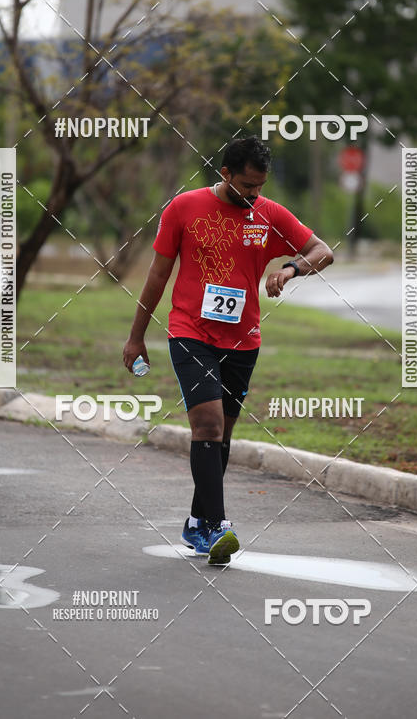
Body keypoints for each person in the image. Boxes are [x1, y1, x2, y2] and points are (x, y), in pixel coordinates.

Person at [123, 135, 333, 565]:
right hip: (189, 332)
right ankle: (217, 527)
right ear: (225, 174)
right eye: (247, 186)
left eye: (260, 186)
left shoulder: (268, 214)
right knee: (208, 425)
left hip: (243, 340)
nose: (254, 195)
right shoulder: (184, 208)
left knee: (222, 438)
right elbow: (158, 275)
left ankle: (197, 521)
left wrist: (290, 269)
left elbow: (322, 251)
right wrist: (136, 335)